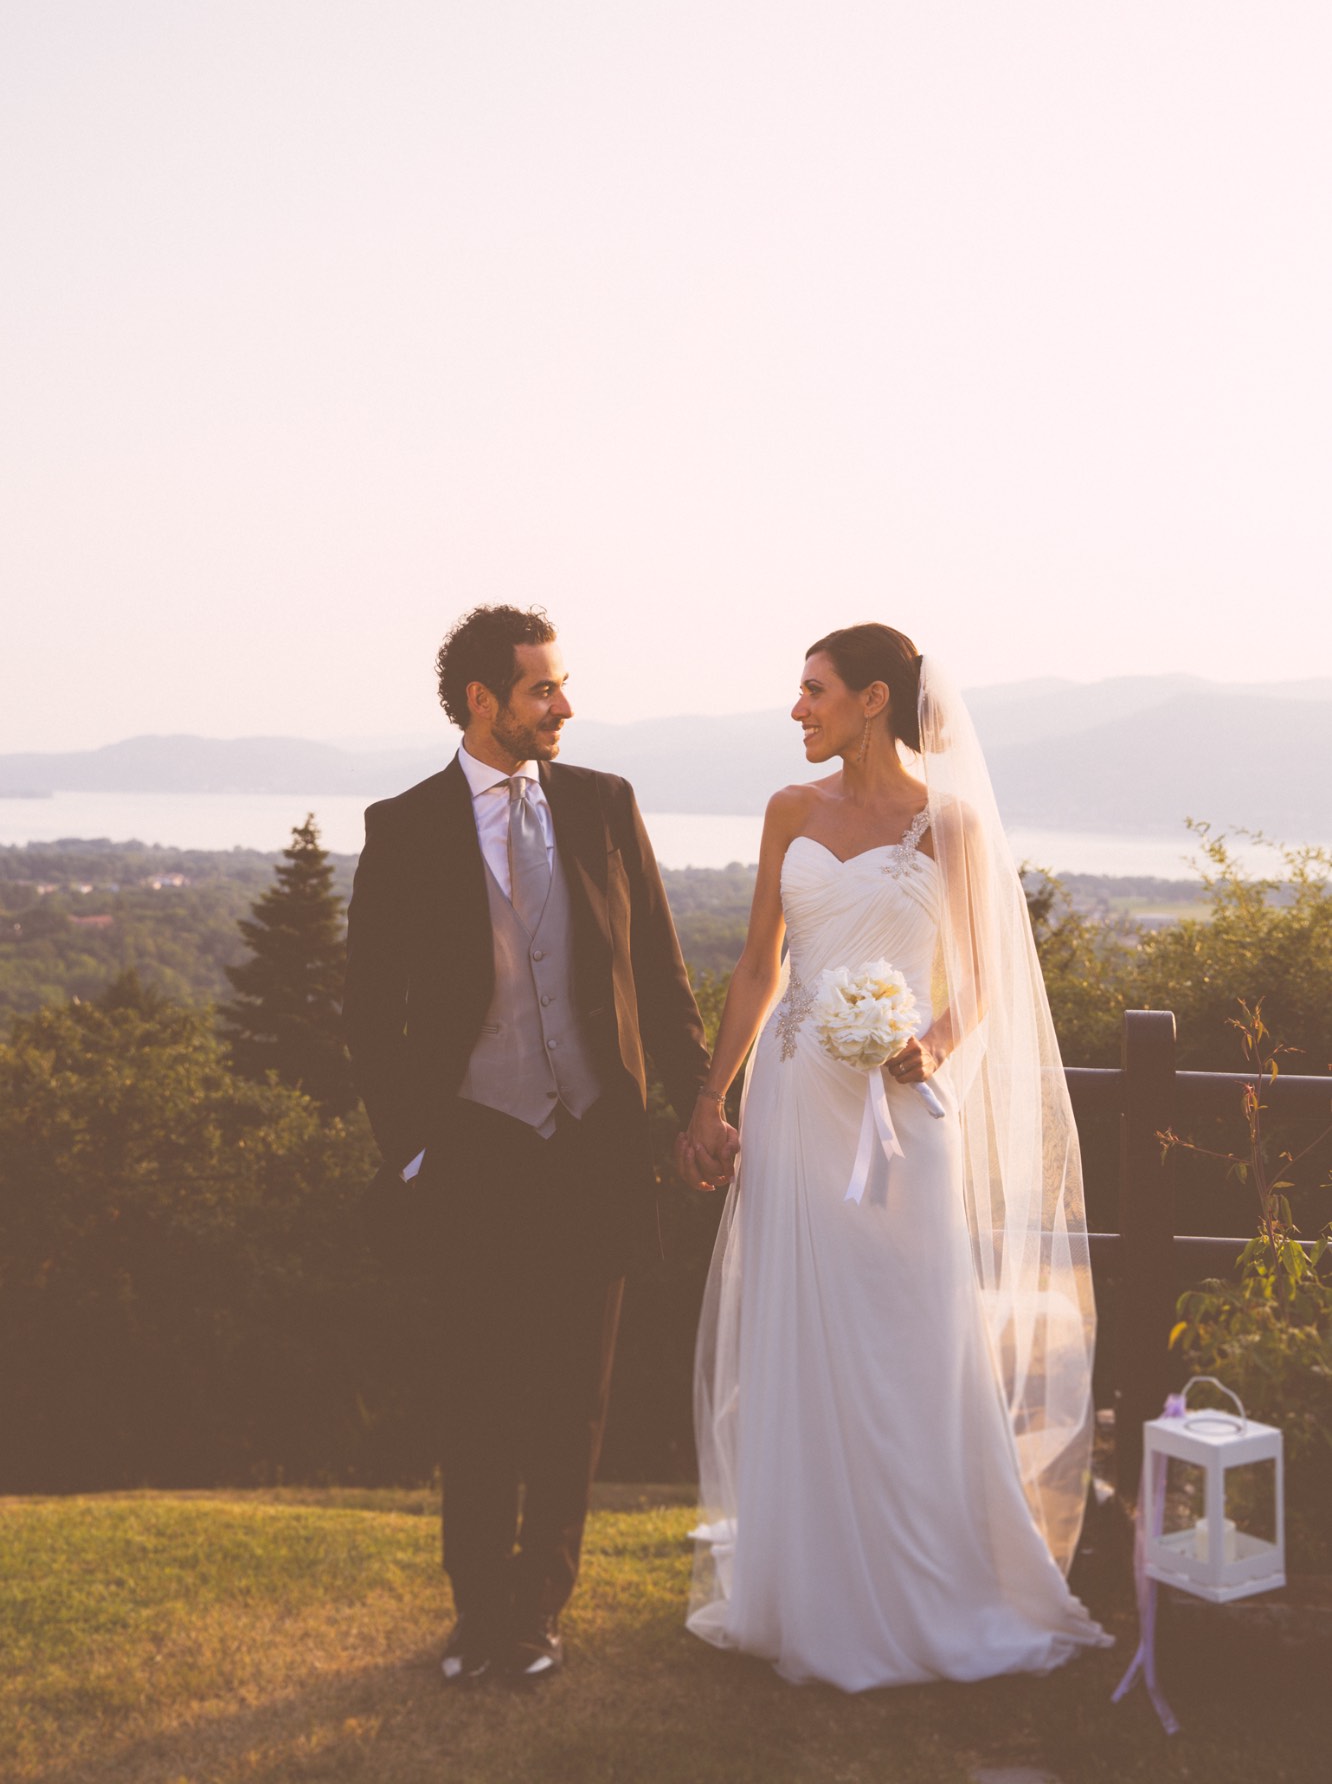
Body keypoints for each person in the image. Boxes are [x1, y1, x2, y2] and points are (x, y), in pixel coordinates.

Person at [678, 624, 1111, 1689]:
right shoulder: (791, 810)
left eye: (814, 690)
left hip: (900, 1110)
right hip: (793, 1105)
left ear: (874, 698)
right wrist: (709, 1098)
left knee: (912, 1335)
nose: (798, 709)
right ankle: (809, 1582)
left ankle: (933, 1578)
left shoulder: (950, 824)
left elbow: (986, 982)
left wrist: (930, 1047)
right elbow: (756, 969)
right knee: (803, 1332)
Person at [343, 604, 710, 1684]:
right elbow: (369, 1009)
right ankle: (477, 1610)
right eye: (542, 688)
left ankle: (540, 1607)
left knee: (574, 1393)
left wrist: (695, 1100)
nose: (564, 704)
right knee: (476, 1389)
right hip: (476, 1149)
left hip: (593, 1144)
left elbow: (662, 974)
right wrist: (411, 1146)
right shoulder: (404, 825)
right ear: (482, 702)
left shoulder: (604, 804)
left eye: (560, 685)